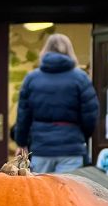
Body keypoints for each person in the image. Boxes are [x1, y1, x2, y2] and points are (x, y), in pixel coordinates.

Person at [12, 33, 99, 173]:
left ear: (45, 51)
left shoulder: (32, 79)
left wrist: (21, 142)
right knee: (67, 192)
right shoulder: (81, 78)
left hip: (41, 148)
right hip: (71, 148)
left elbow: (23, 116)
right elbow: (91, 116)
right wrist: (79, 136)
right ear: (70, 51)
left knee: (40, 193)